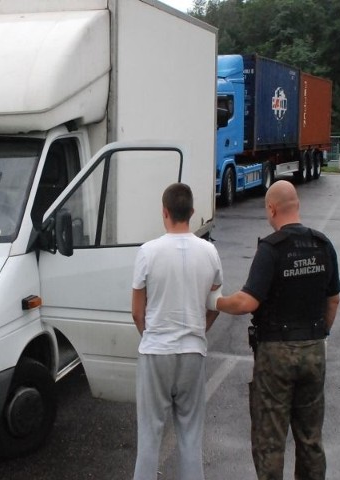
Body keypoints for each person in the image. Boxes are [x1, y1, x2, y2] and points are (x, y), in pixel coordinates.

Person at [212, 180, 340, 480]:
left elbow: (247, 302)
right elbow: (333, 299)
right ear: (297, 205)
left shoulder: (271, 249)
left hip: (275, 354)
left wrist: (216, 302)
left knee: (270, 441)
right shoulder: (323, 245)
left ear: (271, 208)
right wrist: (320, 333)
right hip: (313, 348)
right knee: (310, 438)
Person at [132, 182, 223, 480]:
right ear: (192, 212)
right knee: (190, 434)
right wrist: (200, 330)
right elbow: (215, 303)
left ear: (165, 212)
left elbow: (137, 311)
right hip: (193, 351)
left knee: (149, 435)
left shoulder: (148, 252)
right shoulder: (210, 252)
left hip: (157, 350)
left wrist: (151, 334)